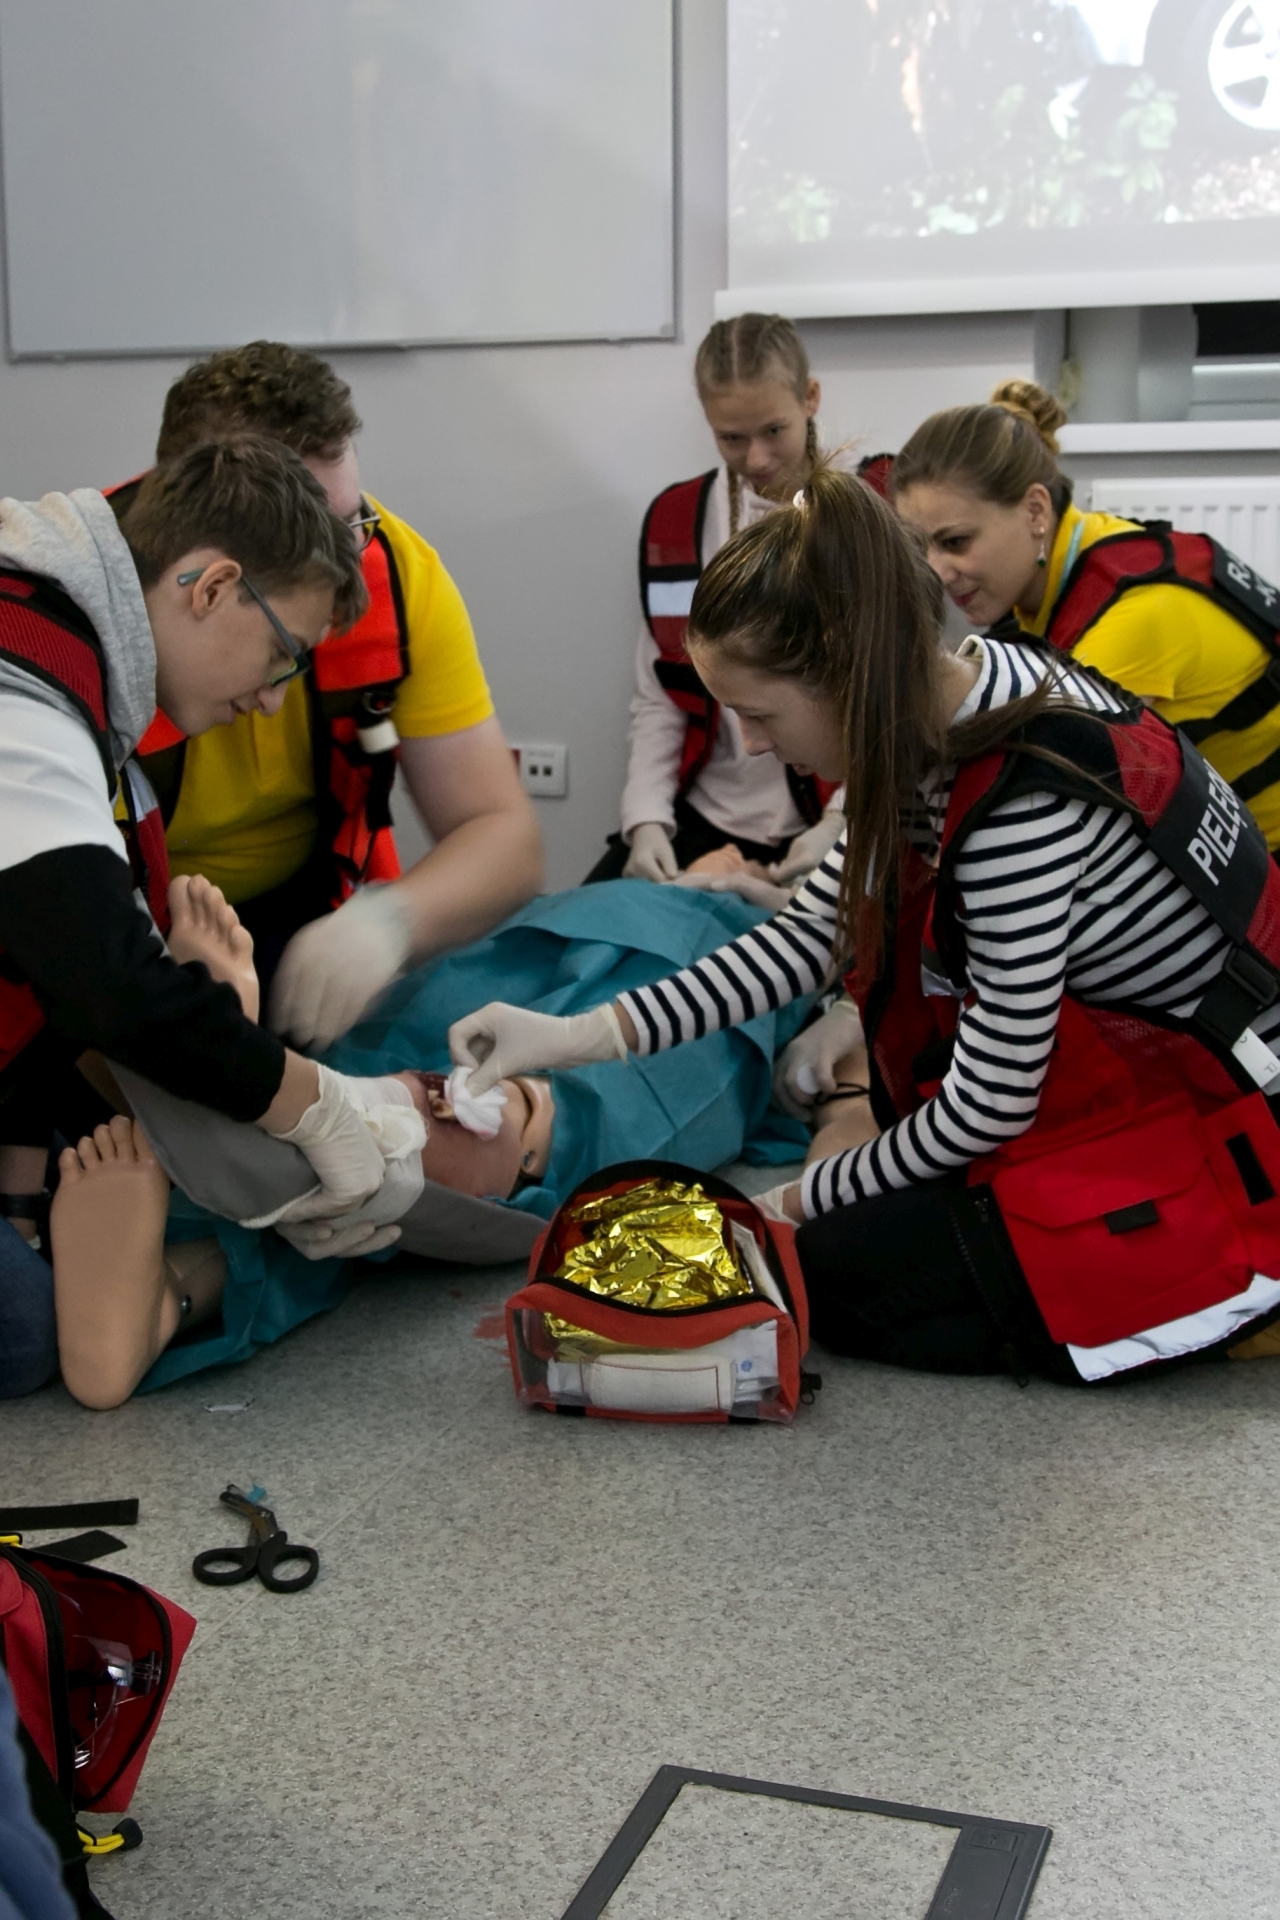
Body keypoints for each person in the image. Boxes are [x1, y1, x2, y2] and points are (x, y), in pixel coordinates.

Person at [451, 465, 1280, 1386]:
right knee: (850, 1225)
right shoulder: (968, 690)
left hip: (1229, 1131)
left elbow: (990, 1104)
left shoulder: (1018, 810)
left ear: (847, 676)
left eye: (759, 714)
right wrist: (570, 1036)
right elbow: (807, 939)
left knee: (843, 1277)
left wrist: (793, 1202)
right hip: (1145, 1084)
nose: (752, 743)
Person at [43, 875, 810, 1406]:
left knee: (499, 1100)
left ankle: (250, 1114)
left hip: (712, 952)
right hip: (638, 922)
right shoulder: (741, 884)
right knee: (447, 1100)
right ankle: (183, 1282)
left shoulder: (801, 925)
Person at [0, 440, 425, 1398]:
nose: (272, 700)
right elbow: (107, 986)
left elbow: (55, 970)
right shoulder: (22, 696)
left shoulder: (73, 666)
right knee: (22, 1334)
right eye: (283, 655)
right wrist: (316, 1101)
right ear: (215, 587)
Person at [129, 340, 542, 1047]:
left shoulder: (400, 579)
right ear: (207, 571)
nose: (354, 567)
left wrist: (390, 922)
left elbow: (504, 835)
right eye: (317, 536)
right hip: (121, 926)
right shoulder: (88, 610)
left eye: (353, 520)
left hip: (314, 921)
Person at [894, 378, 1280, 851]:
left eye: (956, 542)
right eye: (920, 548)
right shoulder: (1082, 559)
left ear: (1035, 510)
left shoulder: (1133, 615)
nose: (937, 572)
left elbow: (1028, 791)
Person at [586, 313, 847, 889]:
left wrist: (843, 819)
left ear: (810, 398)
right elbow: (662, 692)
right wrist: (646, 819)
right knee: (592, 921)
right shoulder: (677, 523)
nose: (756, 459)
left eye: (773, 430)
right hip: (706, 814)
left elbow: (891, 692)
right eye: (732, 438)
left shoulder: (861, 514)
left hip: (830, 812)